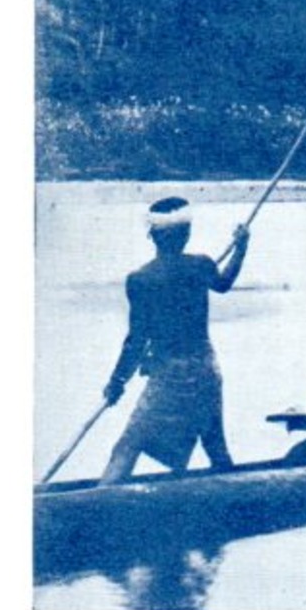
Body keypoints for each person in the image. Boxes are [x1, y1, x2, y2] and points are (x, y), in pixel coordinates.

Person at [99, 196, 250, 484]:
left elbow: (136, 340)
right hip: (205, 370)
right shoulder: (201, 265)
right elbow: (224, 283)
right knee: (215, 445)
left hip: (169, 375)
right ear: (186, 234)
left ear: (152, 235)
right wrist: (242, 248)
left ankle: (100, 503)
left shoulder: (141, 279)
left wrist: (117, 381)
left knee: (127, 446)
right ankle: (239, 500)